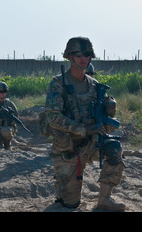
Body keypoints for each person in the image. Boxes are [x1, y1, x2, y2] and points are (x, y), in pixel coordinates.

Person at [43, 37, 125, 211]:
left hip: (91, 143)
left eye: (87, 54)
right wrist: (83, 129)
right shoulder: (58, 84)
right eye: (78, 54)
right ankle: (65, 192)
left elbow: (102, 118)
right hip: (68, 150)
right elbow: (53, 117)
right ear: (69, 57)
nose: (83, 58)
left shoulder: (95, 86)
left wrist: (109, 109)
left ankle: (105, 198)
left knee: (114, 150)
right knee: (69, 203)